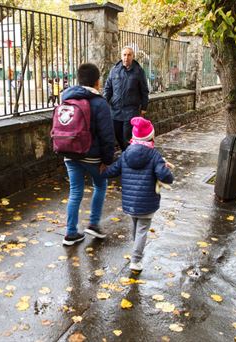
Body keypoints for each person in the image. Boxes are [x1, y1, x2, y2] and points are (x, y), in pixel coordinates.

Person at [102, 117, 174, 271]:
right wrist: (166, 168)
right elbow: (166, 177)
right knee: (142, 231)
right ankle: (136, 260)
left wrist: (101, 172)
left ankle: (136, 250)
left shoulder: (126, 153)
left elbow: (114, 170)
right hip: (147, 203)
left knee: (136, 227)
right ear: (151, 136)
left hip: (130, 202)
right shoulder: (155, 155)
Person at [61, 63, 115, 246]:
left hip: (70, 152)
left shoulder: (66, 98)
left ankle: (70, 233)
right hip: (92, 156)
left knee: (75, 192)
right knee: (100, 185)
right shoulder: (100, 103)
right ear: (98, 82)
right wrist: (107, 160)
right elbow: (108, 135)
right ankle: (93, 223)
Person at [104, 46, 149, 151]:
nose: (126, 57)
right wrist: (104, 104)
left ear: (133, 56)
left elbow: (144, 91)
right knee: (118, 136)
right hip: (115, 111)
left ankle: (128, 157)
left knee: (127, 137)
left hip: (131, 111)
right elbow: (108, 89)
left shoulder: (139, 71)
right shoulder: (114, 70)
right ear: (121, 56)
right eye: (124, 55)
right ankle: (127, 154)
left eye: (129, 55)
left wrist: (143, 109)